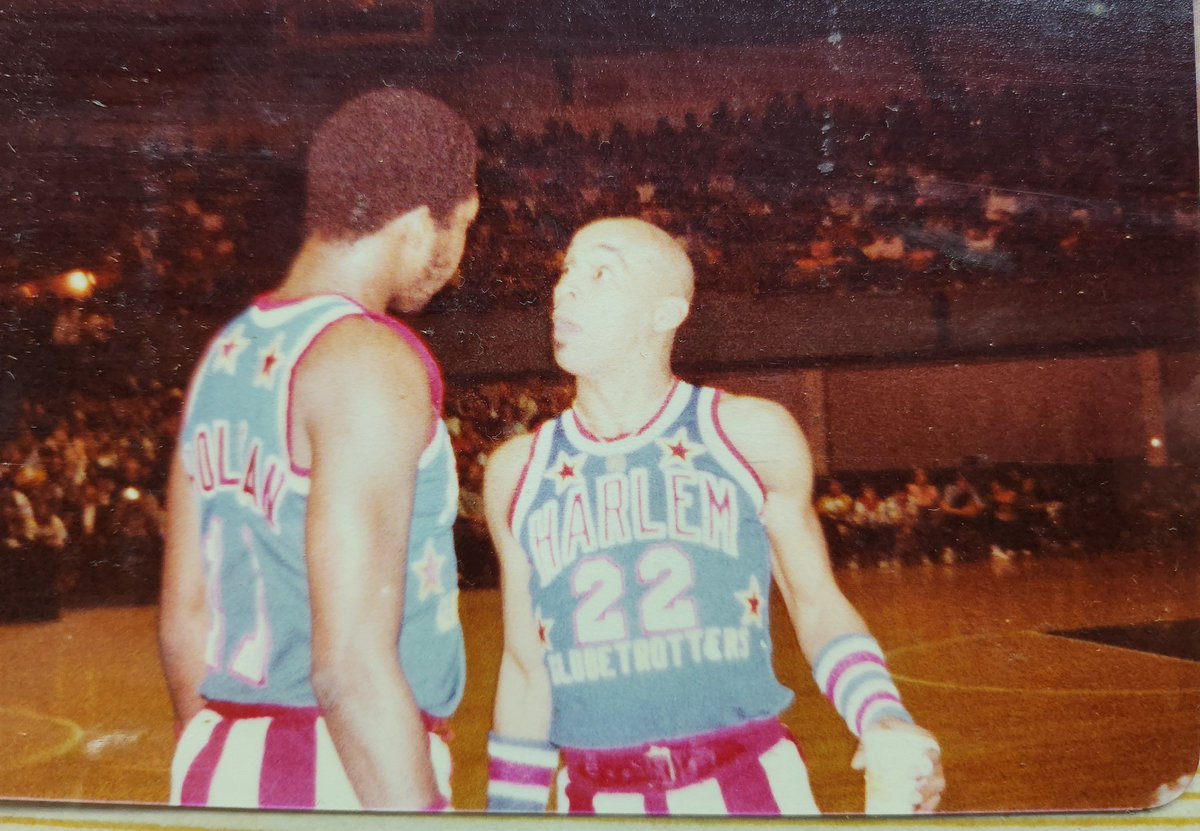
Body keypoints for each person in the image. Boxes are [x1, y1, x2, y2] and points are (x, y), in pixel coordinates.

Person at [482, 217, 943, 816]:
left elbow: (816, 603)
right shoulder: (516, 471)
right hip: (596, 796)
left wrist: (883, 717)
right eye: (567, 270)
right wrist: (506, 816)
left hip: (749, 785)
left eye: (600, 273)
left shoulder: (749, 434)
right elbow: (525, 667)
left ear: (667, 312)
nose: (565, 289)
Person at [158, 89, 479, 811]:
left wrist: (225, 770)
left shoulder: (228, 351)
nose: (456, 258)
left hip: (222, 757)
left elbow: (184, 620)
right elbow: (349, 667)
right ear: (417, 223)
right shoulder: (367, 358)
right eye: (461, 228)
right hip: (340, 770)